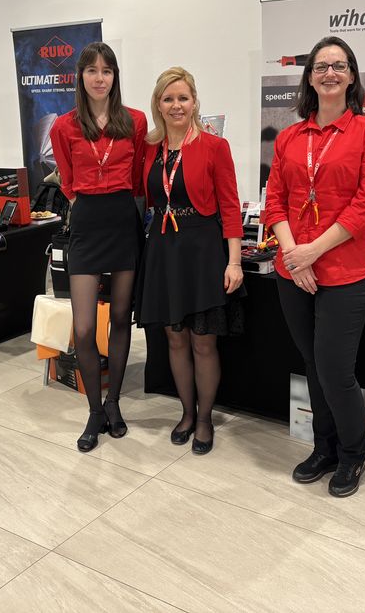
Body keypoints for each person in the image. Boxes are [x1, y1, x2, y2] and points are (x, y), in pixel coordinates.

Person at [263, 36, 365, 497]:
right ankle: (325, 448)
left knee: (335, 370)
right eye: (321, 67)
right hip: (293, 270)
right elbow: (274, 200)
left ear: (352, 76)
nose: (329, 73)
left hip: (345, 273)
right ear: (310, 78)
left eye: (338, 66)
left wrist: (311, 252)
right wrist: (293, 255)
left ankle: (354, 452)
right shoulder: (290, 137)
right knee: (313, 366)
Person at [135, 67, 244, 455]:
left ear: (195, 102)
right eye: (168, 99)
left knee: (202, 342)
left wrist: (234, 262)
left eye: (183, 97)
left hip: (202, 250)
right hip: (163, 250)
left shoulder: (215, 146)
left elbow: (230, 207)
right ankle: (185, 412)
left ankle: (204, 419)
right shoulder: (151, 147)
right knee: (174, 338)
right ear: (158, 105)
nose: (176, 105)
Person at [49, 42, 148, 452]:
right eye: (92, 70)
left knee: (121, 318)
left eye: (107, 71)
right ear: (81, 76)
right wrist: (85, 202)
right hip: (87, 223)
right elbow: (67, 180)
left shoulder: (135, 121)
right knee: (86, 327)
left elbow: (139, 176)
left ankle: (113, 403)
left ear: (115, 77)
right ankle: (93, 410)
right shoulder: (63, 127)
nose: (100, 78)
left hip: (123, 219)